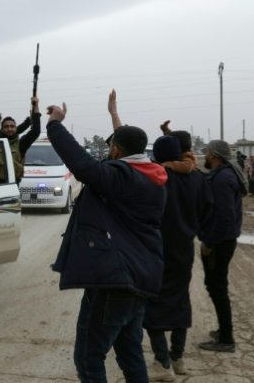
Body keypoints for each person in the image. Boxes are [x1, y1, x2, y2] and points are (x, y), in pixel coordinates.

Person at [47, 95, 168, 383]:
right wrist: (114, 115)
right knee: (130, 354)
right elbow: (125, 147)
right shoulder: (152, 177)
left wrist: (54, 125)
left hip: (115, 282)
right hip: (139, 279)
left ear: (114, 150)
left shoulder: (122, 178)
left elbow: (84, 166)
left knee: (89, 359)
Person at [144, 135, 214, 381]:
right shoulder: (197, 179)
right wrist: (203, 236)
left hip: (156, 250)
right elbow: (209, 210)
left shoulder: (155, 178)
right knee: (180, 301)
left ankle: (162, 362)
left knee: (152, 304)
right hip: (184, 251)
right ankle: (178, 358)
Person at [198, 139, 247, 353]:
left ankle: (226, 338)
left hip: (220, 243)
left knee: (217, 288)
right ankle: (224, 331)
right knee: (215, 286)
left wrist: (209, 243)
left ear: (213, 155)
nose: (205, 154)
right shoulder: (222, 174)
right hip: (223, 241)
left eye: (207, 151)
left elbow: (225, 217)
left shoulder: (223, 178)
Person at [0, 97, 41, 185]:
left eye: (12, 126)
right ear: (2, 129)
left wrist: (36, 107)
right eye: (6, 127)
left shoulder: (21, 144)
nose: (9, 129)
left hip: (12, 185)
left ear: (16, 128)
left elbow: (35, 131)